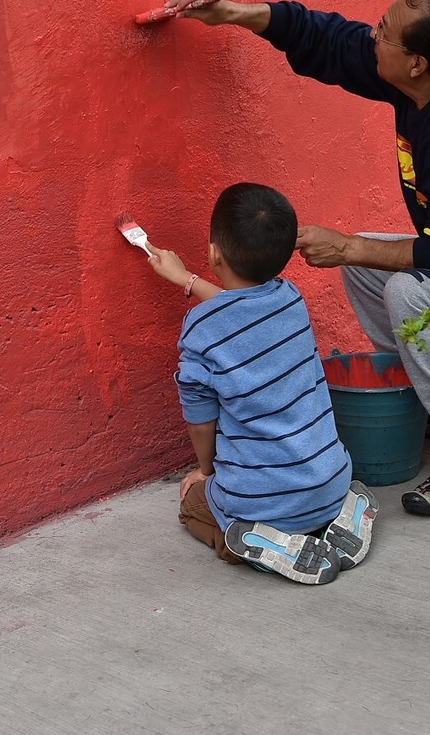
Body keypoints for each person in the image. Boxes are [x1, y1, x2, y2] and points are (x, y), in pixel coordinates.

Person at [165, 0, 430, 518]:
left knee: (408, 289)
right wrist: (233, 13)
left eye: (384, 32)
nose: (372, 35)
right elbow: (333, 42)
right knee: (365, 271)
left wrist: (347, 244)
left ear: (417, 62)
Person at [140, 182, 378, 584]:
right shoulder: (291, 299)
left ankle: (259, 543)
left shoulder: (200, 333)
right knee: (312, 496)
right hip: (330, 482)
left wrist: (204, 471)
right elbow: (244, 314)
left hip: (260, 500)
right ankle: (340, 519)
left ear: (214, 251)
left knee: (193, 507)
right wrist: (186, 280)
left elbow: (200, 421)